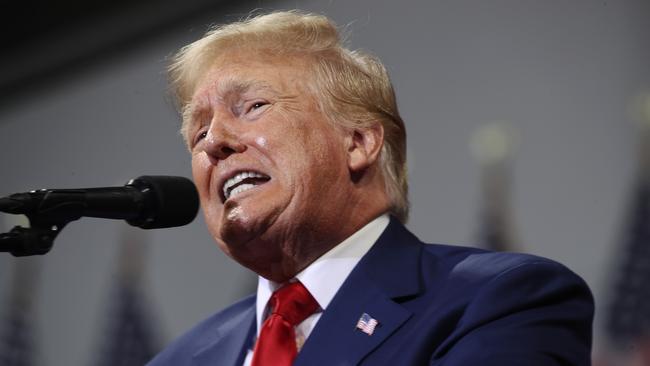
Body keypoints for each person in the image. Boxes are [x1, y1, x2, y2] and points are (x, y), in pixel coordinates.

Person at [148, 10, 593, 366]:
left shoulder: (498, 302)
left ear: (358, 142)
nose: (214, 143)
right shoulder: (180, 359)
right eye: (198, 133)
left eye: (252, 107)